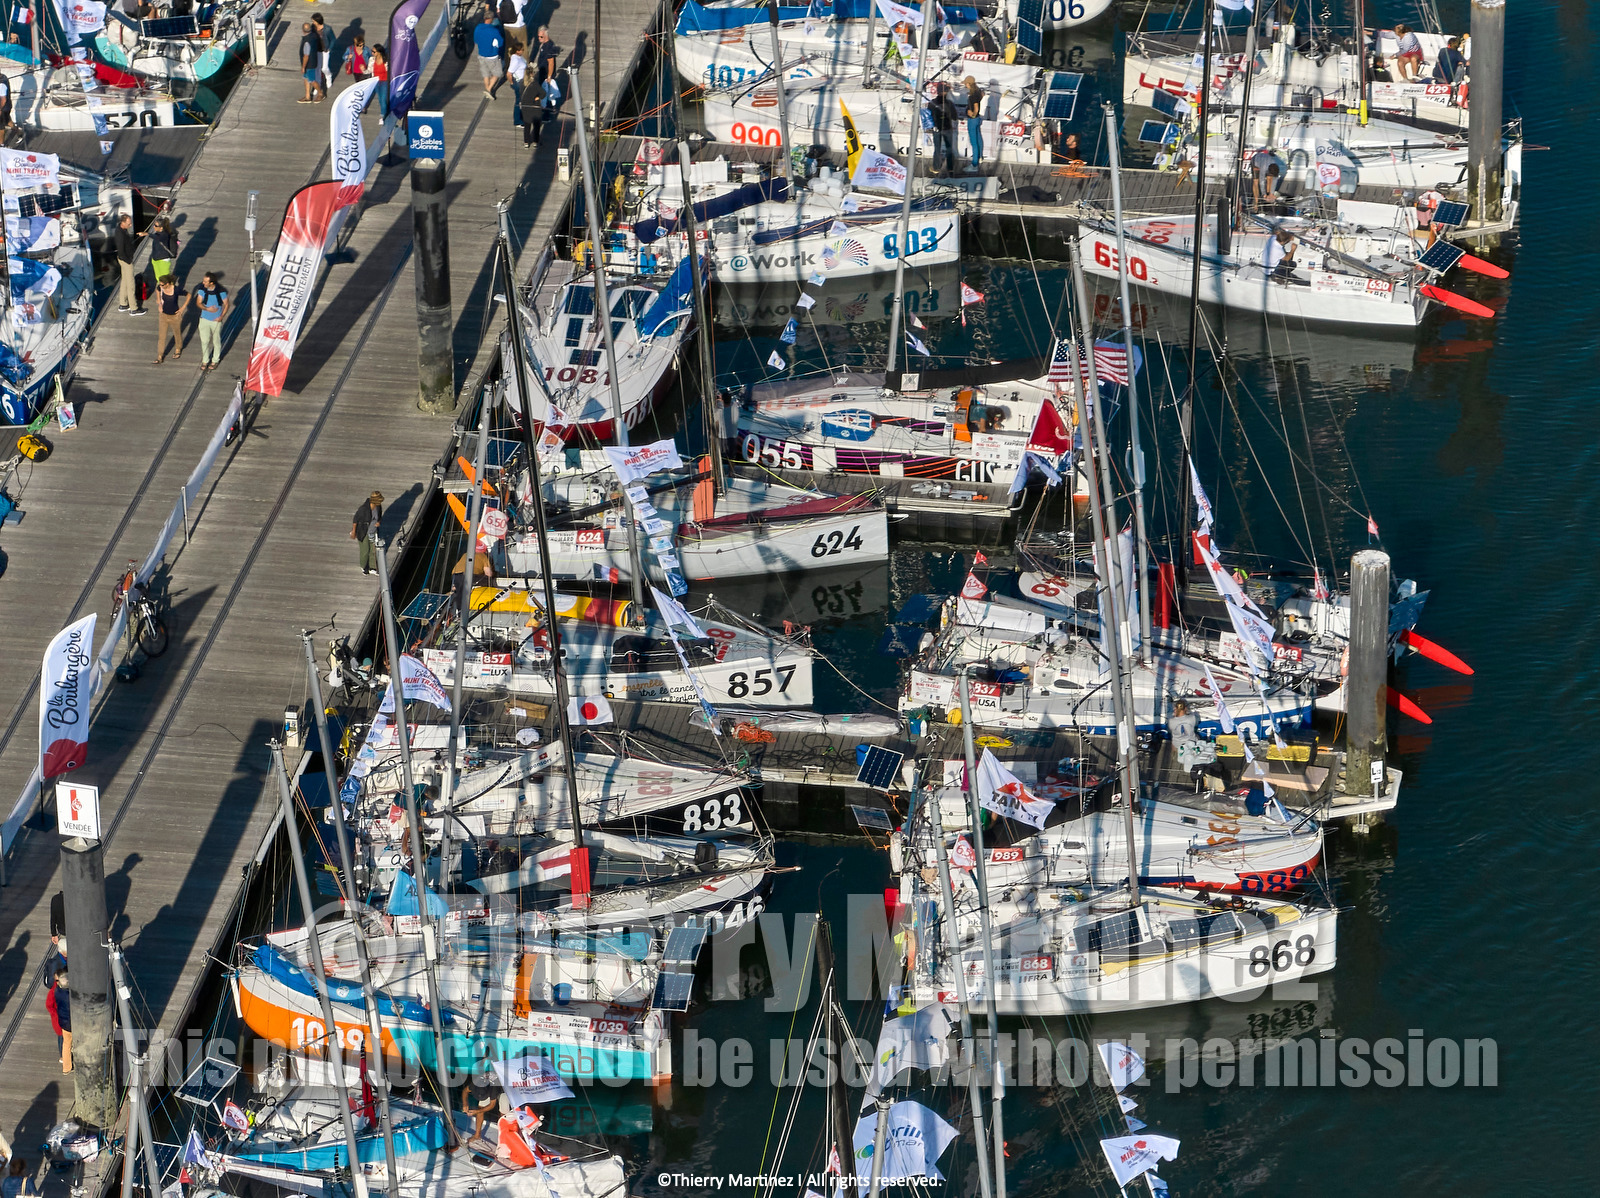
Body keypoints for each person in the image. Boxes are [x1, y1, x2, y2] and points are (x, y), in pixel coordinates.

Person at [189, 271, 229, 371]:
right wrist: (207, 309)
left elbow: (226, 304)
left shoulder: (221, 291)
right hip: (204, 319)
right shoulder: (202, 290)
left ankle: (215, 360)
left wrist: (221, 316)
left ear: (211, 283)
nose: (203, 283)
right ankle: (205, 360)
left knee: (216, 341)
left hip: (216, 321)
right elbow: (198, 303)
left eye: (205, 281)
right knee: (204, 341)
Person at [113, 213, 143, 314]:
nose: (131, 225)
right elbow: (121, 251)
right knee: (131, 284)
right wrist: (128, 261)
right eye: (129, 224)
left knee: (125, 281)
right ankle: (134, 308)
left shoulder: (122, 230)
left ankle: (123, 303)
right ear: (123, 223)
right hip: (125, 260)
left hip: (124, 259)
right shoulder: (120, 234)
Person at [152, 275, 185, 363]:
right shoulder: (161, 288)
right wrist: (159, 302)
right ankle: (159, 356)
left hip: (175, 316)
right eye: (160, 284)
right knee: (161, 336)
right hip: (163, 315)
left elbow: (188, 295)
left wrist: (182, 308)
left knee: (177, 334)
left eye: (162, 285)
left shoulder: (176, 290)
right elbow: (157, 290)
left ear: (167, 284)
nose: (160, 286)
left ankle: (178, 349)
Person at [928, 82, 957, 177]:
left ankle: (936, 167)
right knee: (949, 148)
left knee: (937, 148)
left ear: (937, 92)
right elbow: (954, 117)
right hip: (947, 128)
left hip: (936, 128)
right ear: (946, 93)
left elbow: (929, 117)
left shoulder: (931, 103)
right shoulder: (950, 103)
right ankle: (950, 168)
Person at [45, 967, 70, 1073]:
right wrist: (55, 1014)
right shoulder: (56, 991)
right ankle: (63, 1057)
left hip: (62, 1018)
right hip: (60, 1018)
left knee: (64, 1040)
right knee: (62, 1038)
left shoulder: (58, 990)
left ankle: (65, 1061)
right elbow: (49, 1005)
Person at [352, 491, 383, 575]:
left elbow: (379, 516)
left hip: (373, 531)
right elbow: (355, 520)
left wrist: (379, 522)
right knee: (365, 550)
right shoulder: (363, 509)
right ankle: (364, 566)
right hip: (363, 531)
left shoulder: (378, 506)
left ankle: (372, 567)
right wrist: (354, 532)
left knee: (373, 549)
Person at [475, 13, 504, 101]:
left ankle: (488, 89)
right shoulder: (494, 31)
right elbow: (500, 43)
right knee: (497, 73)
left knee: (486, 74)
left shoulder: (478, 27)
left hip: (481, 54)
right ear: (491, 19)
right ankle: (488, 89)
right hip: (492, 56)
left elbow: (476, 40)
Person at [462, 1075, 498, 1140]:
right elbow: (465, 1091)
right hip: (487, 1086)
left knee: (504, 1112)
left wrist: (477, 1111)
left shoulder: (493, 1088)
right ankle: (477, 1135)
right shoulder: (476, 1083)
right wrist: (465, 1104)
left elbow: (492, 1104)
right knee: (481, 1109)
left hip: (504, 1088)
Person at [963, 75, 984, 171]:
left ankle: (974, 165)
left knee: (973, 142)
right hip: (978, 119)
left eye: (966, 84)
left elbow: (976, 108)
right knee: (979, 138)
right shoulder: (978, 92)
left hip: (973, 120)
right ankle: (980, 157)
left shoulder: (973, 96)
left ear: (968, 84)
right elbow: (982, 95)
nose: (965, 85)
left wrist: (972, 114)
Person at [147, 215, 176, 284]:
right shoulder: (157, 233)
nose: (154, 227)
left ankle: (171, 290)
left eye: (156, 226)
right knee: (158, 279)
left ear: (161, 228)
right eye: (154, 225)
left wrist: (147, 234)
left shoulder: (165, 235)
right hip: (156, 259)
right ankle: (160, 289)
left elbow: (158, 238)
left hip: (163, 260)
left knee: (166, 279)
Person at [298, 22, 321, 103]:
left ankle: (321, 93)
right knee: (306, 78)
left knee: (312, 80)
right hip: (313, 61)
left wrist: (303, 67)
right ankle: (307, 96)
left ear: (303, 30)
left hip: (309, 64)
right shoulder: (313, 36)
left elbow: (306, 55)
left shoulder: (306, 41)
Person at [314, 13, 335, 92]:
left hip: (325, 50)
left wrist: (330, 48)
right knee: (317, 69)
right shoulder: (313, 28)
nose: (313, 22)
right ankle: (318, 86)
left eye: (314, 21)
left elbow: (333, 39)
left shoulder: (327, 29)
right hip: (316, 50)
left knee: (324, 68)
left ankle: (328, 77)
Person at [370, 44, 389, 115]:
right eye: (372, 51)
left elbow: (390, 71)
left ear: (379, 52)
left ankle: (383, 115)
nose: (372, 53)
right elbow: (369, 70)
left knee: (383, 100)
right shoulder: (372, 60)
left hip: (384, 82)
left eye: (374, 52)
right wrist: (363, 70)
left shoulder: (385, 61)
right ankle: (384, 112)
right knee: (380, 100)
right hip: (376, 82)